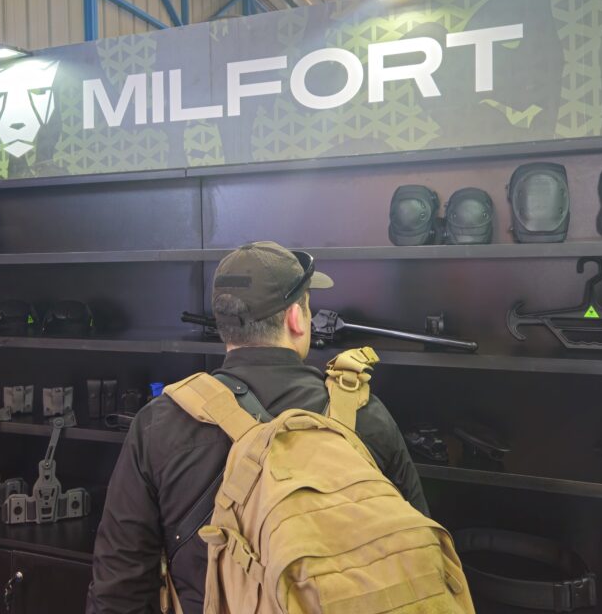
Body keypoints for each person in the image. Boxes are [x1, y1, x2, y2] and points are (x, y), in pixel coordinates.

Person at [86, 241, 428, 614]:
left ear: (224, 326)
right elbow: (418, 552)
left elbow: (119, 589)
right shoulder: (364, 414)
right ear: (296, 318)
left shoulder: (159, 423)